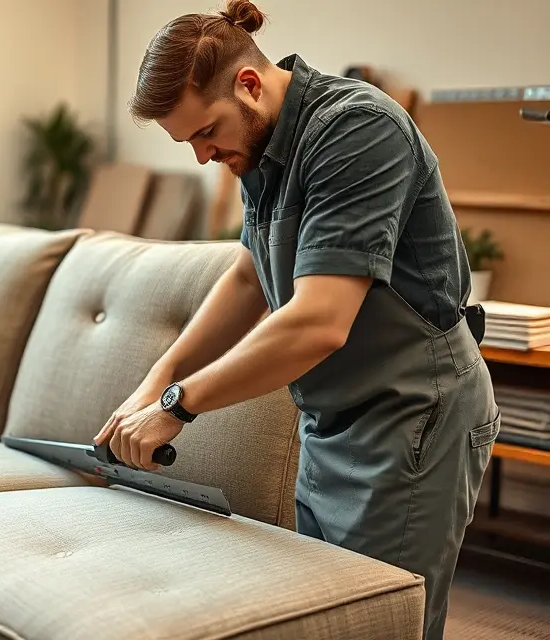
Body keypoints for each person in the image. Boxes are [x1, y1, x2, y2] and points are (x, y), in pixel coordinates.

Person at [92, 1, 498, 638]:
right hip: (332, 420)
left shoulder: (357, 131)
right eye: (188, 141)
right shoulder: (259, 147)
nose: (201, 156)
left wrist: (177, 403)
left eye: (206, 132)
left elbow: (318, 322)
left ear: (249, 85)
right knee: (331, 620)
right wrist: (156, 378)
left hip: (412, 414)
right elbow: (248, 276)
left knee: (380, 625)